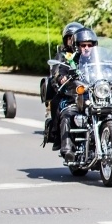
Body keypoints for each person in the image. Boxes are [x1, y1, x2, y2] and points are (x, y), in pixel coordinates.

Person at [57, 28, 99, 161]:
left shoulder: (98, 59)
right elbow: (60, 72)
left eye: (89, 45)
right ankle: (68, 150)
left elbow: (111, 68)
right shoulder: (70, 60)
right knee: (67, 113)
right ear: (77, 46)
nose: (87, 48)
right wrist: (61, 78)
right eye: (83, 45)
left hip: (96, 98)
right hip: (75, 99)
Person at [46, 22, 83, 151]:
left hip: (87, 92)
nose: (71, 41)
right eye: (69, 38)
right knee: (59, 105)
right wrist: (60, 79)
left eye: (74, 37)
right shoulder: (62, 56)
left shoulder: (85, 54)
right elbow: (56, 72)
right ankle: (58, 137)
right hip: (68, 92)